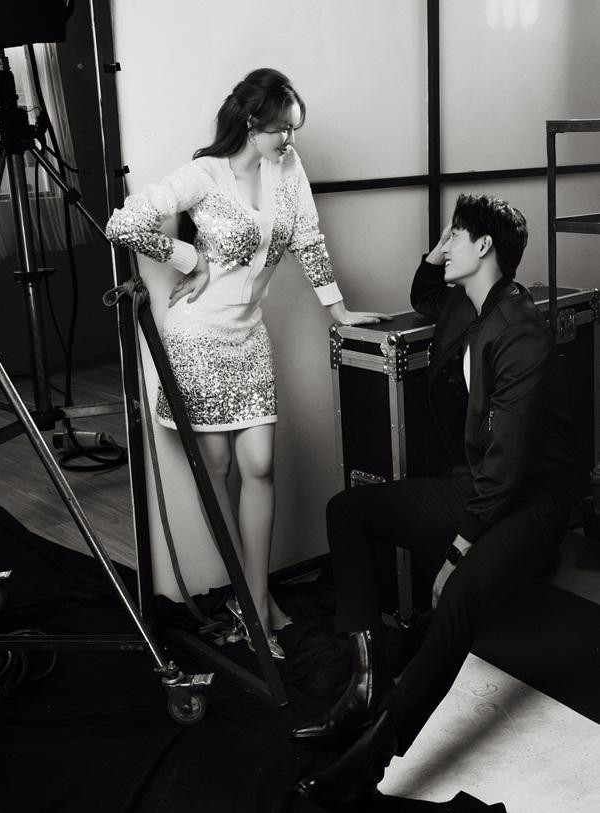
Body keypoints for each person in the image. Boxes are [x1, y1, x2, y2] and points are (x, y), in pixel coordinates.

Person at [292, 193, 575, 807]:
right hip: (480, 485)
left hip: (533, 500)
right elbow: (425, 287)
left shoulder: (521, 331)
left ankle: (371, 759)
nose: (444, 248)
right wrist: (440, 246)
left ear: (484, 246)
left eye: (455, 236)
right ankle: (365, 684)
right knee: (347, 512)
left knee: (461, 593)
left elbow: (509, 464)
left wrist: (457, 551)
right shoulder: (461, 303)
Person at [106, 68, 389, 660]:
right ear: (252, 122)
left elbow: (308, 239)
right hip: (197, 338)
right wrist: (189, 259)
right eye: (281, 129)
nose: (290, 139)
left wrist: (338, 312)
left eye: (294, 129)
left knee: (258, 464)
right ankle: (256, 606)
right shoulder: (204, 174)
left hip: (249, 337)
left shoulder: (289, 168)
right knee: (216, 469)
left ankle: (253, 602)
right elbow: (123, 223)